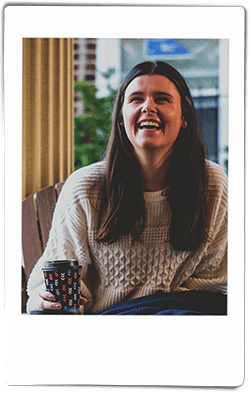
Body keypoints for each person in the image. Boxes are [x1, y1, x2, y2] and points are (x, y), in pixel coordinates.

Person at [26, 61, 227, 314]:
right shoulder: (85, 188)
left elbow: (217, 286)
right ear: (121, 118)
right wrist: (47, 300)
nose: (148, 107)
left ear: (184, 117)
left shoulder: (211, 183)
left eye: (162, 99)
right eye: (135, 99)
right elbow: (54, 288)